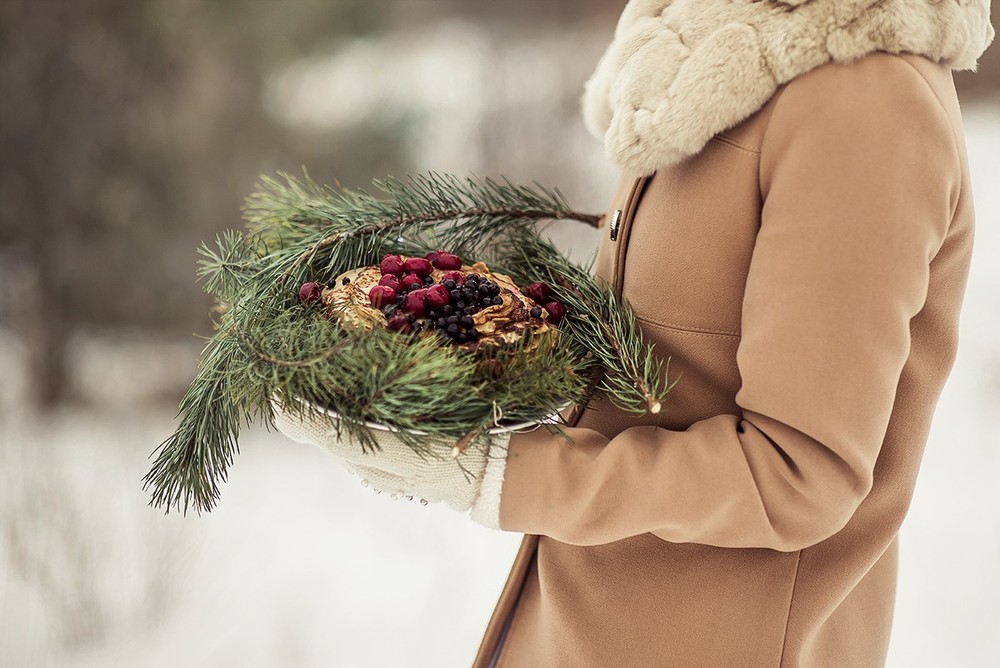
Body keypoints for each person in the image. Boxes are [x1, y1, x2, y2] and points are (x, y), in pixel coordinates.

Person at [273, 0, 995, 665]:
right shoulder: (716, 49)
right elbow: (669, 355)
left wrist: (499, 475)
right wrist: (456, 354)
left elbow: (799, 473)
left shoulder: (862, 102)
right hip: (580, 625)